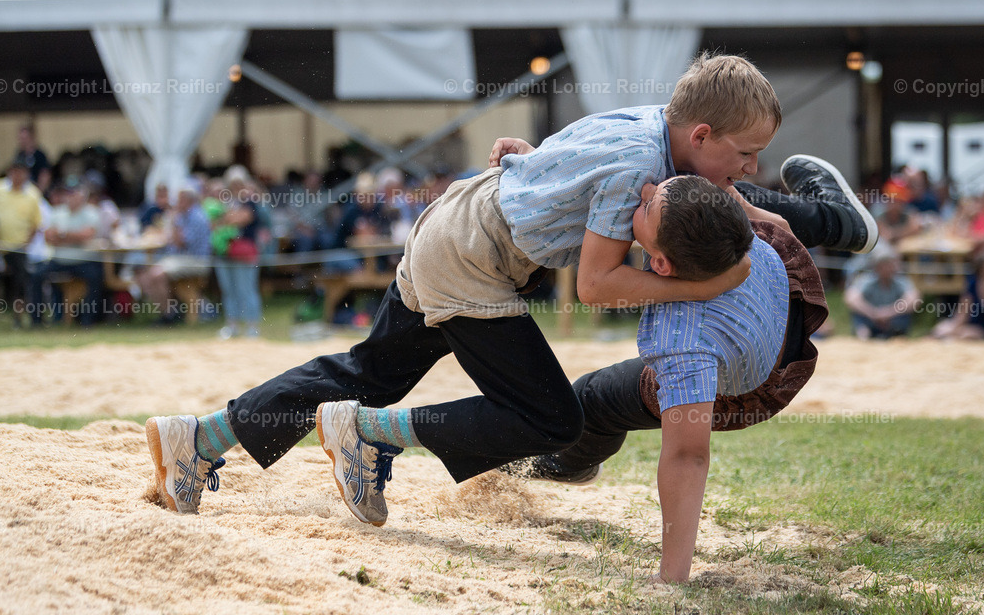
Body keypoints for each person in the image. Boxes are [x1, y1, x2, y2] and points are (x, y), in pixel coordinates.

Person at [141, 54, 870, 522]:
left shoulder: (645, 120)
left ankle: (197, 440)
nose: (745, 168)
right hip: (473, 257)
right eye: (743, 154)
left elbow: (560, 160)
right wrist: (697, 286)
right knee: (553, 418)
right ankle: (366, 434)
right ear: (702, 135)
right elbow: (592, 284)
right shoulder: (642, 168)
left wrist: (530, 162)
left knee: (368, 371)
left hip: (459, 219)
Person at [499, 181, 828, 584]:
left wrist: (672, 577)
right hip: (780, 310)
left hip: (748, 385)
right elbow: (769, 216)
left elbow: (688, 456)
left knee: (591, 398)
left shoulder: (684, 339)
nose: (644, 190)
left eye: (650, 204)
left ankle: (564, 465)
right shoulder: (738, 226)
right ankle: (840, 219)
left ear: (661, 266)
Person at [135, 185, 212, 325]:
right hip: (180, 259)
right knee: (144, 274)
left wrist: (173, 219)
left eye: (180, 199)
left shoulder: (196, 217)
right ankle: (168, 312)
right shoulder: (184, 215)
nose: (177, 202)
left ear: (189, 200)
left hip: (195, 261)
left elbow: (180, 242)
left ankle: (169, 315)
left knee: (155, 275)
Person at [32, 179, 104, 327]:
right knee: (36, 275)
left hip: (84, 261)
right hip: (59, 260)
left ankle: (87, 320)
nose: (70, 197)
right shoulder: (56, 212)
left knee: (97, 277)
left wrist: (63, 235)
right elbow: (48, 238)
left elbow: (86, 235)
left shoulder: (91, 212)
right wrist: (73, 237)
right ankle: (37, 321)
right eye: (68, 193)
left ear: (82, 195)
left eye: (73, 193)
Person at [0, 163, 43, 327]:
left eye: (20, 172)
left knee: (20, 284)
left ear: (26, 174)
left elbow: (36, 224)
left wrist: (26, 244)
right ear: (10, 172)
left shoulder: (32, 194)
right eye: (14, 172)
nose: (17, 176)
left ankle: (18, 319)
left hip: (19, 248)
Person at [213, 165, 263, 339]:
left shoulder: (250, 201)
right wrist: (227, 218)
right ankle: (232, 325)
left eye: (239, 183)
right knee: (228, 290)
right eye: (233, 184)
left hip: (244, 253)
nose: (236, 187)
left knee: (247, 289)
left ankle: (252, 327)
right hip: (224, 252)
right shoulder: (226, 201)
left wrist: (225, 218)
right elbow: (214, 221)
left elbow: (241, 219)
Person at [844, 246, 920, 339]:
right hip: (870, 319)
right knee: (859, 317)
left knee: (904, 316)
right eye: (884, 265)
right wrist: (872, 313)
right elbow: (850, 299)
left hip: (893, 320)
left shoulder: (901, 281)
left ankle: (897, 336)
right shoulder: (866, 280)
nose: (888, 268)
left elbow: (914, 299)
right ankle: (863, 337)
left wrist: (889, 312)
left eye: (890, 265)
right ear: (876, 267)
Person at [931, 253, 984, 340]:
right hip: (972, 325)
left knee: (968, 334)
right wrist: (954, 328)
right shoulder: (973, 284)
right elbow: (962, 313)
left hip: (982, 329)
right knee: (941, 328)